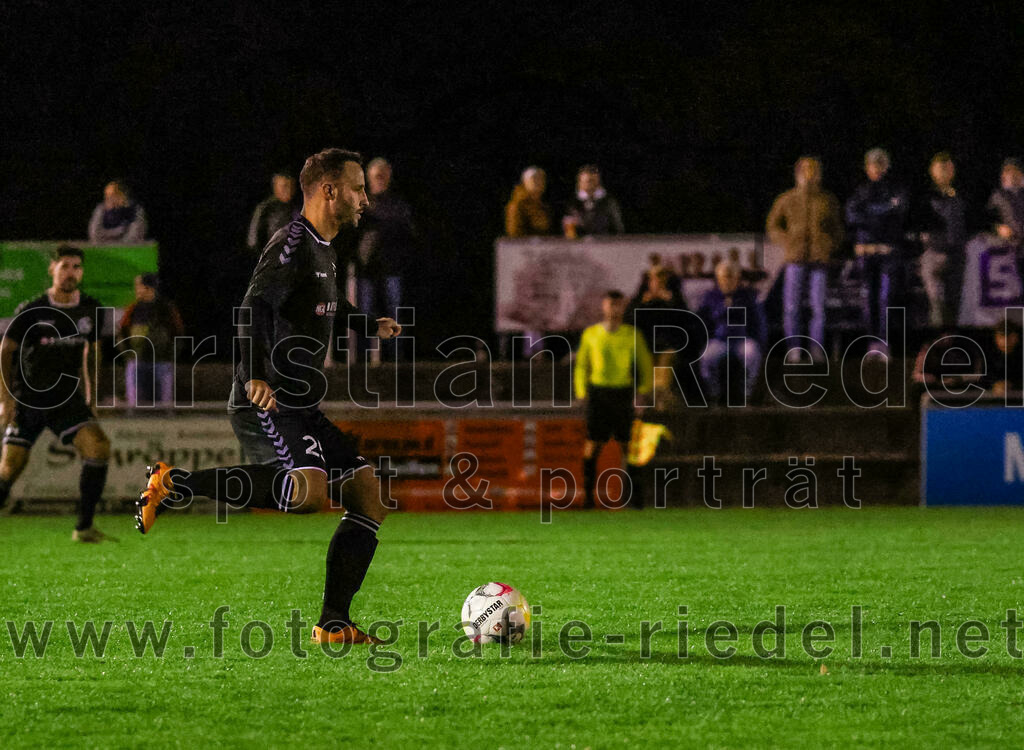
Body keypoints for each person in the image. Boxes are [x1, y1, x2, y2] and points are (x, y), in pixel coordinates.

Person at [134, 148, 402, 645]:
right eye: (358, 187)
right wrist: (256, 375)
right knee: (307, 495)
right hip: (269, 396)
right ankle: (177, 485)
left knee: (368, 497)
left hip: (301, 402)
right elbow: (253, 306)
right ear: (329, 190)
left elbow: (325, 304)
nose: (365, 198)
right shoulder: (292, 242)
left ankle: (333, 624)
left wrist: (368, 323)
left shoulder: (326, 246)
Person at [0, 245, 111, 541]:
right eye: (64, 266)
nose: (70, 272)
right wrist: (6, 399)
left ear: (82, 272)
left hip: (66, 400)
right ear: (52, 269)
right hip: (28, 399)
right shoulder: (32, 310)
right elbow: (6, 351)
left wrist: (92, 396)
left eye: (76, 266)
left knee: (98, 447)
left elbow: (92, 355)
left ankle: (84, 527)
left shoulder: (90, 309)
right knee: (9, 469)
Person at [574, 290, 653, 509]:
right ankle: (588, 497)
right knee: (592, 446)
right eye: (610, 304)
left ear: (623, 308)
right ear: (604, 306)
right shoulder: (591, 334)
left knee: (629, 447)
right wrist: (581, 392)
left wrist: (642, 393)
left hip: (623, 393)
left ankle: (636, 499)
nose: (614, 309)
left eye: (618, 305)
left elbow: (646, 367)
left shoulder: (632, 335)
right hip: (599, 393)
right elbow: (582, 366)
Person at [766, 156, 843, 360]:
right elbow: (773, 225)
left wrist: (829, 245)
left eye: (813, 170)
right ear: (798, 173)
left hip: (820, 261)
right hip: (795, 259)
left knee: (819, 307)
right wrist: (788, 241)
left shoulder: (828, 200)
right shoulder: (787, 199)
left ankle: (816, 349)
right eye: (805, 170)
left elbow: (838, 229)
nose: (809, 174)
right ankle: (794, 349)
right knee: (792, 307)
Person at [844, 148, 910, 347]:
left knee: (885, 298)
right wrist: (885, 210)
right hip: (867, 252)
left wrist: (871, 214)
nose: (877, 168)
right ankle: (871, 342)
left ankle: (883, 342)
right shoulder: (860, 191)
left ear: (887, 166)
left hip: (888, 252)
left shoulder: (897, 189)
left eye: (881, 163)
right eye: (874, 164)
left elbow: (901, 211)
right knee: (869, 298)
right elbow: (851, 216)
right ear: (867, 168)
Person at [355, 158, 415, 358]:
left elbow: (410, 235)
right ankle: (362, 363)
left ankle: (395, 362)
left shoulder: (399, 205)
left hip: (392, 269)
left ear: (389, 177)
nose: (379, 180)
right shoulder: (360, 204)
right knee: (364, 316)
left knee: (394, 316)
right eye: (376, 176)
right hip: (366, 270)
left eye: (383, 175)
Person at [697, 260, 768, 403]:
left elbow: (759, 322)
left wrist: (760, 342)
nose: (727, 281)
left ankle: (747, 394)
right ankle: (713, 394)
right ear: (718, 279)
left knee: (752, 354)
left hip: (742, 340)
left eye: (731, 277)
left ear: (737, 279)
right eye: (724, 277)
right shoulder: (710, 297)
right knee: (706, 357)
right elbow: (702, 322)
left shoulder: (748, 296)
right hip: (719, 341)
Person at [916, 152, 968, 328]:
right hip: (933, 255)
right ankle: (938, 347)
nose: (944, 173)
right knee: (937, 305)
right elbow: (918, 225)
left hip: (956, 255)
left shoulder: (960, 195)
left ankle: (953, 346)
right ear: (932, 171)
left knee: (955, 303)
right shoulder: (925, 197)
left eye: (947, 168)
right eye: (940, 169)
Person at [118, 273, 185, 406]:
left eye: (139, 286)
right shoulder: (133, 309)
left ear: (148, 288)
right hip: (137, 363)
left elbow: (178, 334)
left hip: (162, 364)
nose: (137, 290)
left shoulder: (166, 308)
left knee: (164, 405)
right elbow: (121, 333)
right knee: (135, 405)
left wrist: (170, 356)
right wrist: (129, 356)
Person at [563, 165, 625, 237]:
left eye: (592, 181)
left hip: (605, 243)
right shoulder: (572, 203)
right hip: (579, 244)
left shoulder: (608, 202)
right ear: (579, 182)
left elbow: (618, 227)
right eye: (586, 181)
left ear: (598, 181)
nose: (589, 184)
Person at [247, 171, 299, 253]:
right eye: (284, 186)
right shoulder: (265, 209)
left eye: (292, 186)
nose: (288, 190)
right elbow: (253, 241)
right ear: (275, 186)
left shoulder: (297, 208)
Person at [505, 166, 552, 237]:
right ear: (525, 182)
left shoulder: (542, 205)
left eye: (541, 179)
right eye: (535, 179)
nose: (539, 182)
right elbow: (515, 233)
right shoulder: (518, 205)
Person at [986, 158, 1024, 245]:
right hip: (1009, 246)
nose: (1010, 175)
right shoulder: (997, 196)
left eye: (1013, 171)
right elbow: (989, 220)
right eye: (1006, 171)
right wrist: (997, 228)